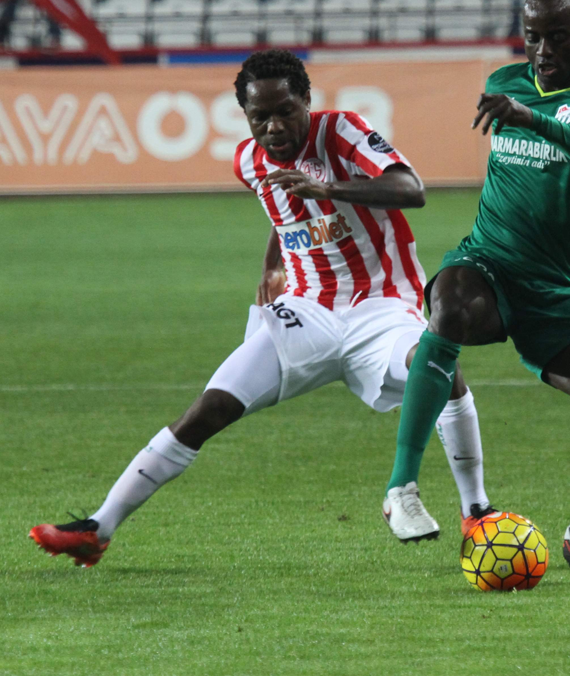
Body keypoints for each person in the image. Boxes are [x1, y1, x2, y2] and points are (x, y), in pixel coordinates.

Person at [29, 49, 491, 567]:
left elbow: (411, 189)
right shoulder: (247, 161)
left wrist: (328, 187)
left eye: (285, 111)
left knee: (440, 365)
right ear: (245, 116)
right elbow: (284, 212)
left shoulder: (340, 131)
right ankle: (99, 527)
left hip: (381, 307)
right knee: (211, 407)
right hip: (306, 312)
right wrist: (272, 264)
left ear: (306, 101)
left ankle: (475, 510)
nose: (274, 126)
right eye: (259, 117)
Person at [382, 0, 570, 586]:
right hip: (488, 262)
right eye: (532, 37)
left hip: (557, 287)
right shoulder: (506, 82)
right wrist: (523, 110)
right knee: (448, 308)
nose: (543, 50)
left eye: (558, 37)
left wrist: (535, 120)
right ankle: (402, 488)